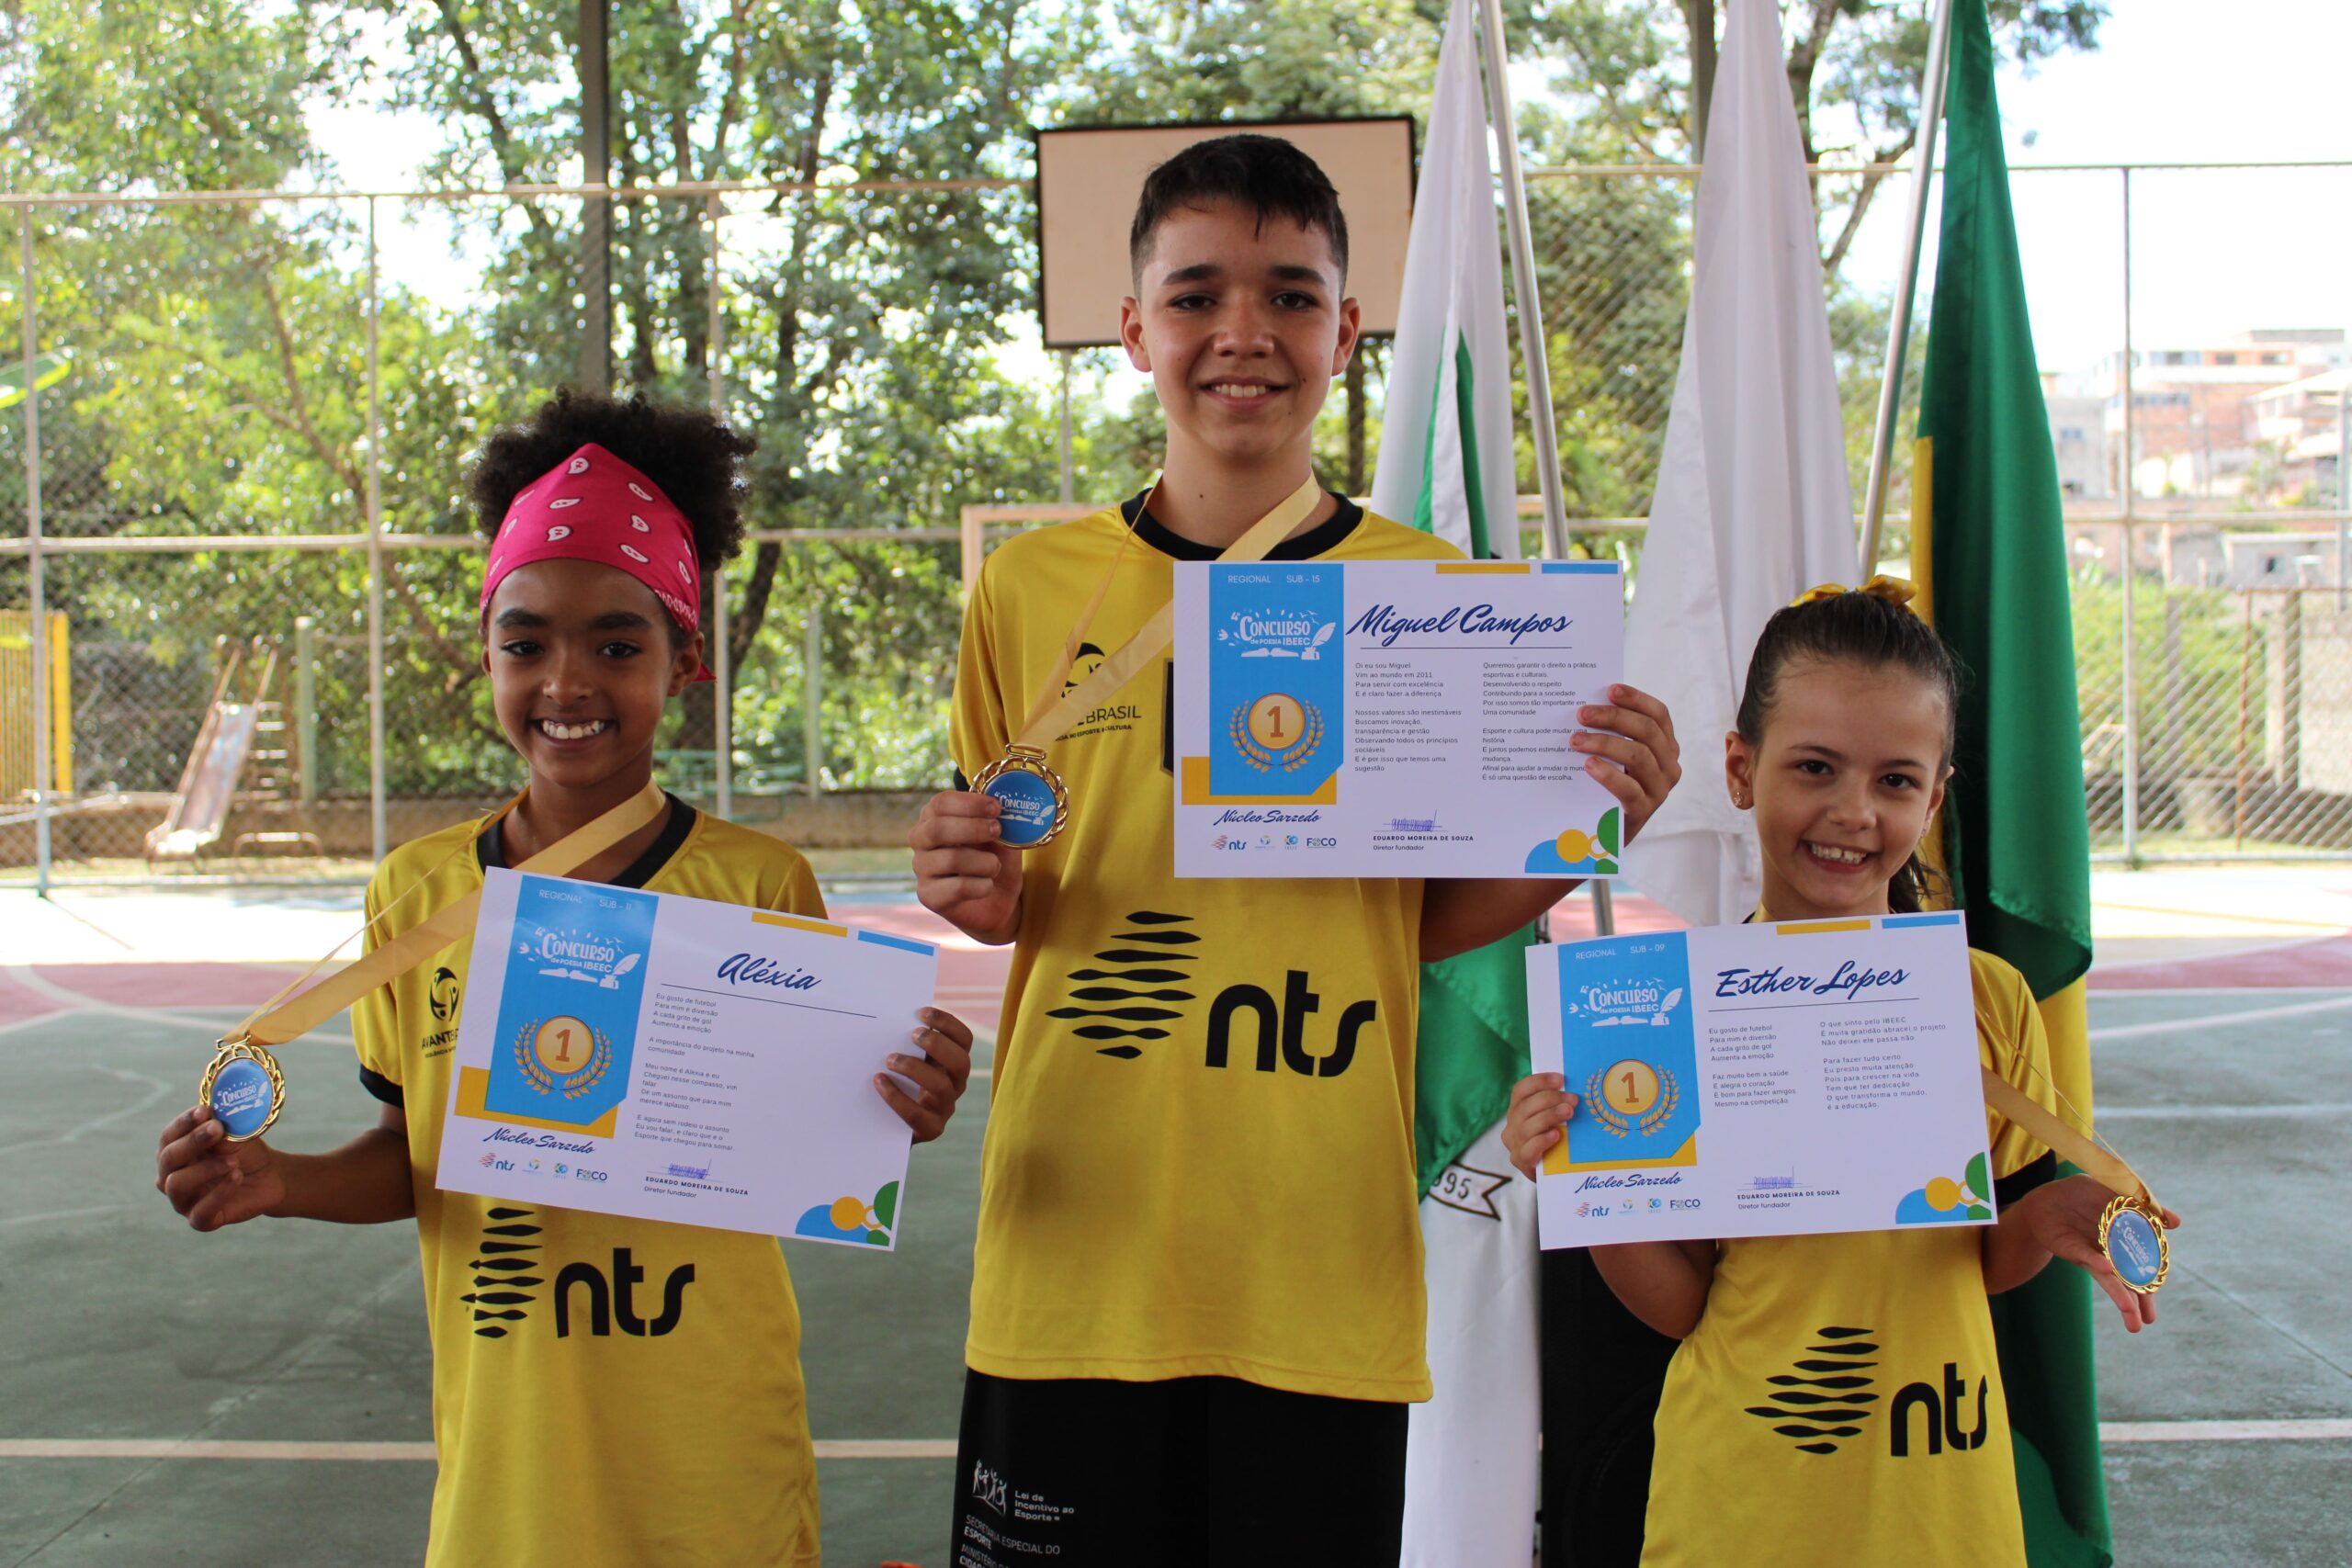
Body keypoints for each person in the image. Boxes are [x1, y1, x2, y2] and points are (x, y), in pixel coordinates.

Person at [910, 133, 1682, 1564]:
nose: (1244, 331)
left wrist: (1589, 826)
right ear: (1132, 327)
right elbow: (1009, 885)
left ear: (1348, 327)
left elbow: (1416, 918)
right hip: (1078, 1257)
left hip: (1317, 1259)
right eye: (1196, 294)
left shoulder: (1435, 600)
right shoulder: (1027, 588)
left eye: (1291, 295)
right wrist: (968, 886)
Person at [154, 389, 975, 1568]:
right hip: (512, 1471)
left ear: (686, 661)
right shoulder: (417, 895)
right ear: (486, 655)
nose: (567, 682)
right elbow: (412, 1153)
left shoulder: (760, 883)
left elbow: (819, 1141)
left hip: (712, 1460)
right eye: (526, 643)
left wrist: (901, 1102)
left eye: (617, 645)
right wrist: (279, 1180)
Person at [1502, 579, 2181, 1568]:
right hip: (1743, 1505)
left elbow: (1983, 1262)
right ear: (1741, 769)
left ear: (1934, 797)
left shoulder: (1986, 999)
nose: (1853, 812)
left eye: (1896, 780)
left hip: (1941, 1494)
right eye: (1815, 767)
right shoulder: (1661, 1011)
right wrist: (1587, 1177)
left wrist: (2044, 1217)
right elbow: (1682, 1306)